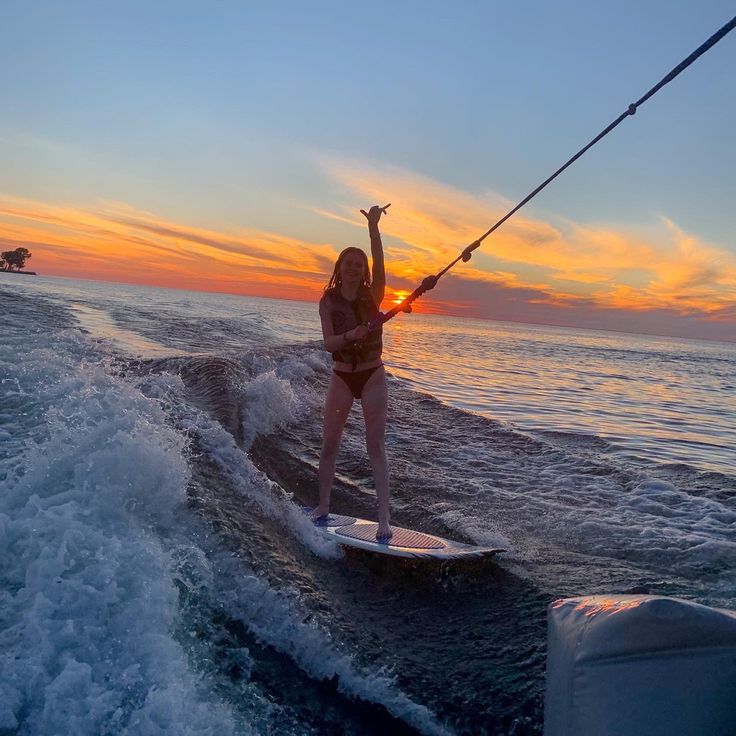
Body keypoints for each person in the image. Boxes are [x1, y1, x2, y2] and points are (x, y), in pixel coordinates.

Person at [312, 204, 392, 539]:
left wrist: (373, 227)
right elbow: (329, 343)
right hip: (342, 376)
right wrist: (351, 335)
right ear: (340, 268)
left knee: (375, 445)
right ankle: (323, 506)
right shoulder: (328, 301)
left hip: (373, 376)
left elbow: (379, 259)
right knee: (330, 444)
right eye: (350, 264)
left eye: (359, 265)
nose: (356, 268)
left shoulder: (373, 294)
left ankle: (385, 520)